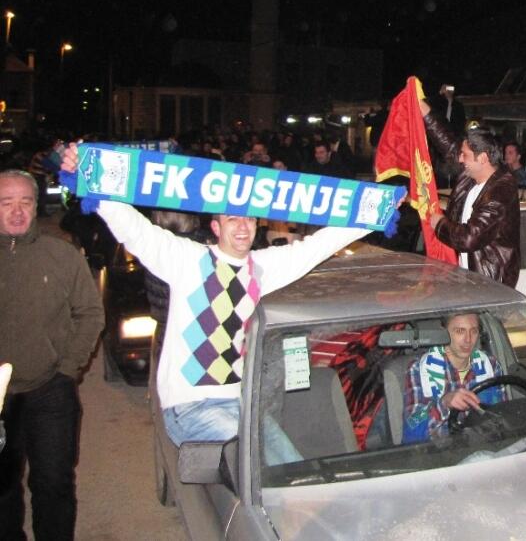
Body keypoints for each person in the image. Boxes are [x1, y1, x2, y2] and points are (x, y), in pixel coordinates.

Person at [59, 143, 372, 462]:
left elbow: (318, 246)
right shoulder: (187, 260)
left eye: (249, 219)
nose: (242, 227)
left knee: (293, 469)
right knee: (261, 467)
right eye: (232, 219)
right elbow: (135, 230)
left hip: (240, 405)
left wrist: (376, 210)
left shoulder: (261, 268)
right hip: (191, 407)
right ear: (215, 227)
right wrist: (86, 170)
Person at [0, 169, 104, 540]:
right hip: (0, 398)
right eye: (6, 203)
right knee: (3, 486)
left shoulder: (61, 255)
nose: (16, 211)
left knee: (54, 483)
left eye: (25, 202)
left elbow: (90, 313)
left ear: (36, 206)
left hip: (50, 390)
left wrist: (67, 369)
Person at [420, 98, 521, 288]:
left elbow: (469, 238)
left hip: (489, 284)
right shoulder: (471, 177)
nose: (460, 159)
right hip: (466, 278)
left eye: (464, 155)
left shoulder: (501, 191)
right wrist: (426, 112)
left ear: (482, 158)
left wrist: (440, 224)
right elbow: (449, 146)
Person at [402, 313, 506, 443]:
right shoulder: (419, 369)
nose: (468, 340)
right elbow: (412, 426)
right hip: (440, 450)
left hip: (484, 443)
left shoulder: (490, 365)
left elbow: (501, 414)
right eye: (460, 331)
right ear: (443, 333)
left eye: (473, 331)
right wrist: (443, 404)